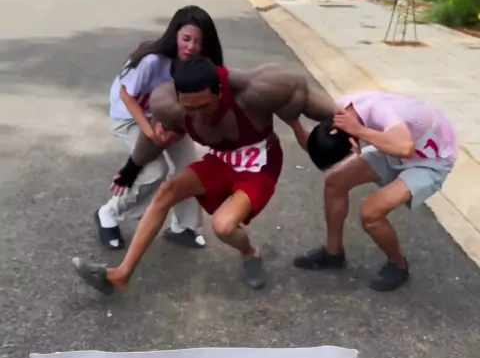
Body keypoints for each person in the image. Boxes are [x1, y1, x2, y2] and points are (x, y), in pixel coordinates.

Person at [72, 57, 337, 295]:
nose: (198, 114)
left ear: (219, 92)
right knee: (167, 192)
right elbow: (151, 142)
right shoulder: (171, 107)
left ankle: (249, 252)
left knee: (223, 226)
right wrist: (130, 171)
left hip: (259, 165)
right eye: (190, 108)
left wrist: (351, 126)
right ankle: (121, 275)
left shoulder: (254, 92)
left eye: (205, 106)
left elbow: (305, 96)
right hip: (220, 161)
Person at [291, 90, 458, 292]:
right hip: (394, 146)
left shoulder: (382, 112)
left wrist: (359, 131)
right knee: (334, 182)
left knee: (370, 213)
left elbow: (405, 147)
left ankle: (398, 264)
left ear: (353, 144)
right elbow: (317, 145)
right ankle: (333, 253)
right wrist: (293, 122)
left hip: (430, 158)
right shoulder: (342, 111)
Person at [96, 5, 224, 252]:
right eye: (186, 38)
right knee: (156, 170)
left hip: (166, 118)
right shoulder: (152, 61)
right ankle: (108, 213)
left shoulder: (199, 67)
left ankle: (184, 227)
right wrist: (150, 134)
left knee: (191, 167)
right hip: (131, 117)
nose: (190, 47)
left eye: (198, 41)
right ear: (175, 35)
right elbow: (126, 95)